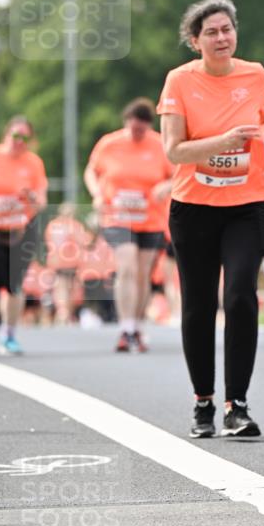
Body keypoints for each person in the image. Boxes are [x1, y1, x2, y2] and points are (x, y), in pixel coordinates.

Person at [158, 0, 264, 438]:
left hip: (247, 206)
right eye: (211, 32)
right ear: (195, 41)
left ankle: (238, 404)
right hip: (193, 208)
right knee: (198, 307)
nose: (221, 37)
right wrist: (223, 141)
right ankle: (203, 402)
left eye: (227, 29)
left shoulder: (254, 74)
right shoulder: (179, 81)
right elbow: (174, 150)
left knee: (239, 297)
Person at [83, 98, 173, 352]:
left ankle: (137, 327)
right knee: (127, 267)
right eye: (133, 129)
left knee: (143, 274)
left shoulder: (159, 144)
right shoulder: (110, 144)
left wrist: (165, 187)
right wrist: (97, 194)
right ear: (126, 123)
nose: (137, 134)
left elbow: (179, 176)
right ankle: (125, 328)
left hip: (150, 218)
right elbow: (91, 171)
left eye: (141, 131)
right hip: (117, 216)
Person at [0, 116, 48, 355]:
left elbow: (41, 201)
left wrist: (31, 198)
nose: (19, 142)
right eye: (15, 136)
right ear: (6, 134)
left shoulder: (33, 163)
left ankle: (8, 334)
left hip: (21, 228)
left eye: (25, 138)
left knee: (15, 284)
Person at [44, 203, 93, 324]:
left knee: (61, 286)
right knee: (68, 288)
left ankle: (63, 312)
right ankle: (65, 313)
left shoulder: (52, 225)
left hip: (56, 261)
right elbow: (85, 241)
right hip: (70, 262)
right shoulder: (74, 225)